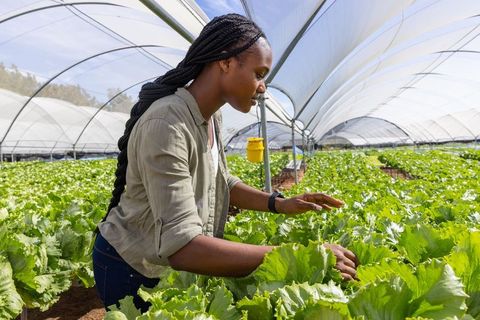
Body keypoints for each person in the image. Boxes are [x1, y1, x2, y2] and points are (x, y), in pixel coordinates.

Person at [92, 13, 357, 312]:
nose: (263, 87)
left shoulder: (211, 118)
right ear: (225, 62)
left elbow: (221, 182)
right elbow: (182, 247)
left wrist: (279, 204)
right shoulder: (167, 123)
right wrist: (305, 256)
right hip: (129, 266)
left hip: (163, 261)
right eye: (259, 73)